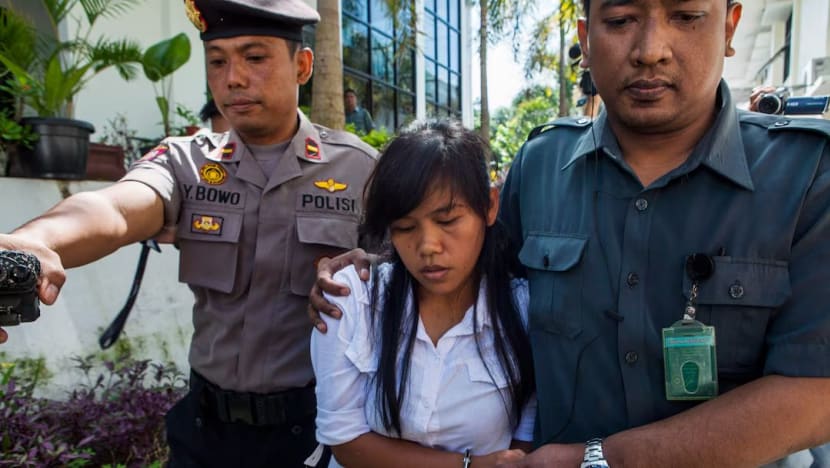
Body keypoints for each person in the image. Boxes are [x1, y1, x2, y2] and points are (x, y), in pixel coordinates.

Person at [310, 1, 830, 467]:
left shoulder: (806, 177)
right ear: (585, 36)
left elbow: (817, 393)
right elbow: (474, 269)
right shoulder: (540, 167)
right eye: (620, 20)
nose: (651, 49)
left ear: (729, 27)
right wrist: (374, 270)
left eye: (686, 16)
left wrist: (602, 460)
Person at [0, 0, 377, 466]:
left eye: (254, 57)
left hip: (314, 432)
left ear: (302, 65)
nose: (233, 78)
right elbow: (114, 207)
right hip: (204, 431)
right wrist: (35, 242)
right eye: (217, 61)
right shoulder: (186, 161)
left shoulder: (360, 170)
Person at [311, 120, 536, 467]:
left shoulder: (523, 310)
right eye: (405, 227)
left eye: (448, 221)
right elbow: (344, 439)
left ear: (490, 206)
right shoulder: (352, 298)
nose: (428, 246)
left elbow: (523, 443)